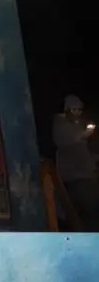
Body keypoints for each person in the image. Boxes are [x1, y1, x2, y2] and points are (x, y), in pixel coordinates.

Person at [53, 94, 99, 231]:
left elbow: (83, 153)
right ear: (67, 110)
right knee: (86, 214)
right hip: (74, 180)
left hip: (86, 178)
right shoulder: (61, 124)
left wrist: (95, 158)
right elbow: (65, 141)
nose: (77, 113)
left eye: (79, 110)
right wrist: (83, 134)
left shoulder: (77, 125)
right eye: (74, 110)